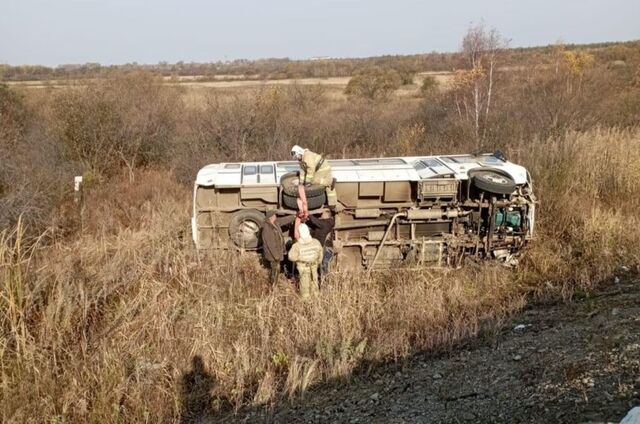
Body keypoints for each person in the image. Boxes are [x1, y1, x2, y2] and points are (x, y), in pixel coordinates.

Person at [290, 145, 336, 218]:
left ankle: (329, 182)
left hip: (321, 168)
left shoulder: (307, 156)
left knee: (314, 181)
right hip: (319, 168)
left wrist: (308, 181)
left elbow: (310, 169)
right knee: (328, 187)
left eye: (296, 156)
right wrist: (301, 182)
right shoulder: (302, 159)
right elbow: (302, 171)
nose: (296, 158)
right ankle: (332, 204)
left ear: (299, 153)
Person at [288, 223, 323, 299]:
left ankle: (305, 304)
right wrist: (317, 263)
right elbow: (320, 254)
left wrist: (299, 258)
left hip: (303, 269)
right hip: (314, 267)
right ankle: (316, 301)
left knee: (304, 288)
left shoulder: (297, 246)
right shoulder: (316, 242)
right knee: (314, 284)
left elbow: (290, 257)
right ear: (308, 231)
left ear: (300, 234)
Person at [261, 210, 294, 286]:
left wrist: (294, 217)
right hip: (273, 255)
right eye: (274, 215)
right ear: (270, 217)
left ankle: (274, 283)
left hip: (277, 252)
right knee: (275, 269)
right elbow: (271, 244)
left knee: (276, 269)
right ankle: (273, 286)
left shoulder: (275, 223)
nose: (276, 216)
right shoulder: (267, 229)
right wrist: (276, 256)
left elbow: (284, 220)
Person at [306, 210, 335, 277]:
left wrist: (309, 215)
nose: (321, 214)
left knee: (324, 265)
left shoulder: (327, 223)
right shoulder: (325, 222)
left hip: (325, 249)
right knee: (321, 265)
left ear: (327, 215)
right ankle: (322, 280)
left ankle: (324, 281)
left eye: (323, 213)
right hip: (322, 248)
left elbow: (316, 222)